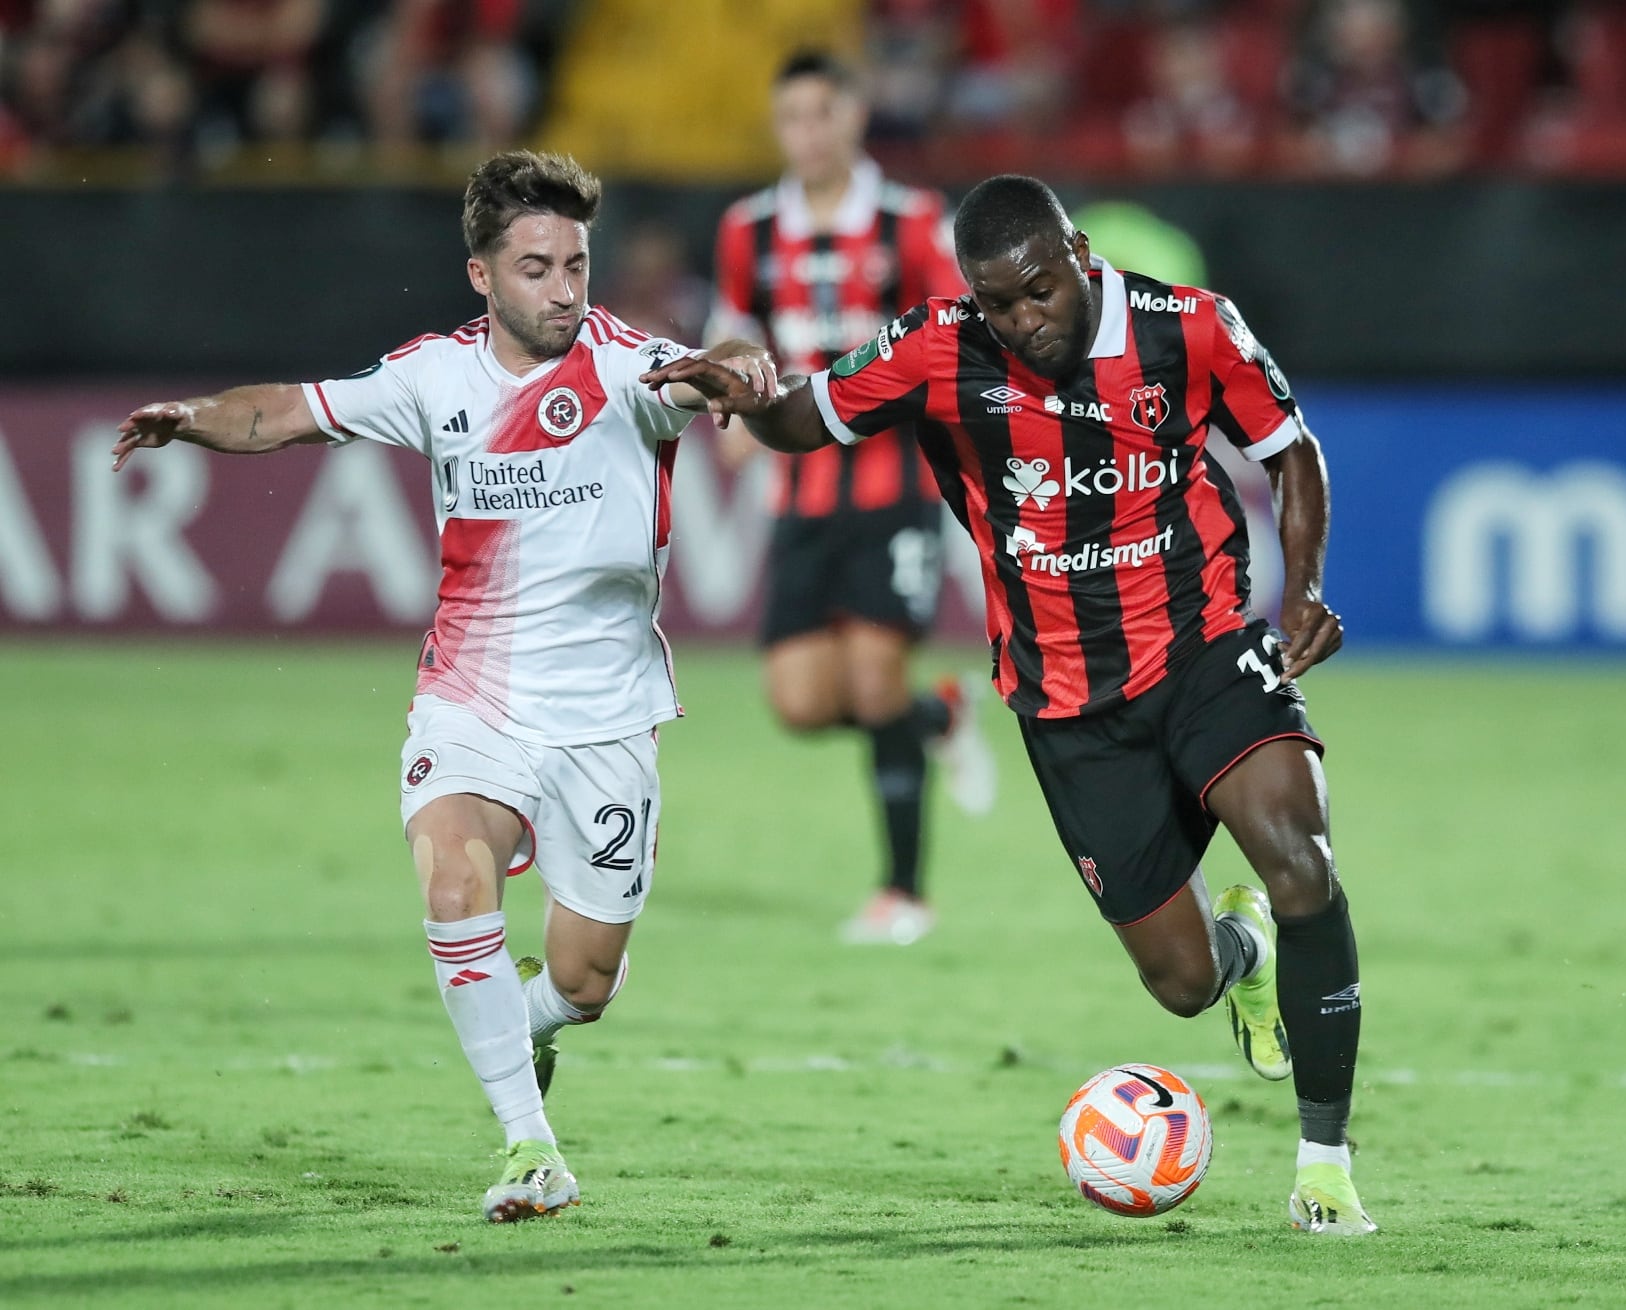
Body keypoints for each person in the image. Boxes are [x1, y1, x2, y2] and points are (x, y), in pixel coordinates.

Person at [649, 174, 1376, 1234]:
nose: (1023, 321)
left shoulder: (1190, 327)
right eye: (999, 304)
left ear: (1079, 254)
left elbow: (1289, 449)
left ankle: (1324, 1161)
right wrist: (744, 390)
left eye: (1038, 291)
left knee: (1299, 856)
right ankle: (1245, 954)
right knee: (1180, 982)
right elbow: (808, 415)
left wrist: (1303, 585)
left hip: (1206, 641)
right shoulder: (940, 346)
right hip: (1066, 696)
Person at [111, 149, 775, 1224]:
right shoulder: (433, 375)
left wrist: (739, 372)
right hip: (470, 701)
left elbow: (719, 360)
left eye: (576, 263)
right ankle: (531, 1145)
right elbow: (284, 409)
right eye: (536, 267)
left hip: (605, 720)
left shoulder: (625, 369)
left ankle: (532, 1024)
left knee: (586, 982)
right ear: (482, 276)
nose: (565, 289)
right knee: (454, 877)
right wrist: (190, 413)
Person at [709, 49, 995, 947]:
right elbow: (734, 326)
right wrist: (728, 388)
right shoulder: (748, 229)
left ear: (854, 116)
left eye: (822, 113)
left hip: (894, 483)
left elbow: (956, 333)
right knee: (798, 701)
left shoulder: (910, 222)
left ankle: (903, 893)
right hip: (799, 488)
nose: (808, 132)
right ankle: (938, 714)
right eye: (791, 116)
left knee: (872, 675)